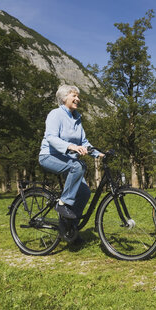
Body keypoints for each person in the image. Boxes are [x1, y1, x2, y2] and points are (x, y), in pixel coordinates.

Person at [39, 84, 104, 221]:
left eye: (78, 96)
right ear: (64, 98)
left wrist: (99, 153)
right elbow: (51, 137)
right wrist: (71, 146)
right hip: (49, 156)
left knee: (85, 193)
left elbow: (84, 143)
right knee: (78, 166)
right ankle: (63, 203)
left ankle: (69, 229)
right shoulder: (55, 114)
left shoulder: (77, 119)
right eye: (74, 95)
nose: (77, 99)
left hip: (66, 159)